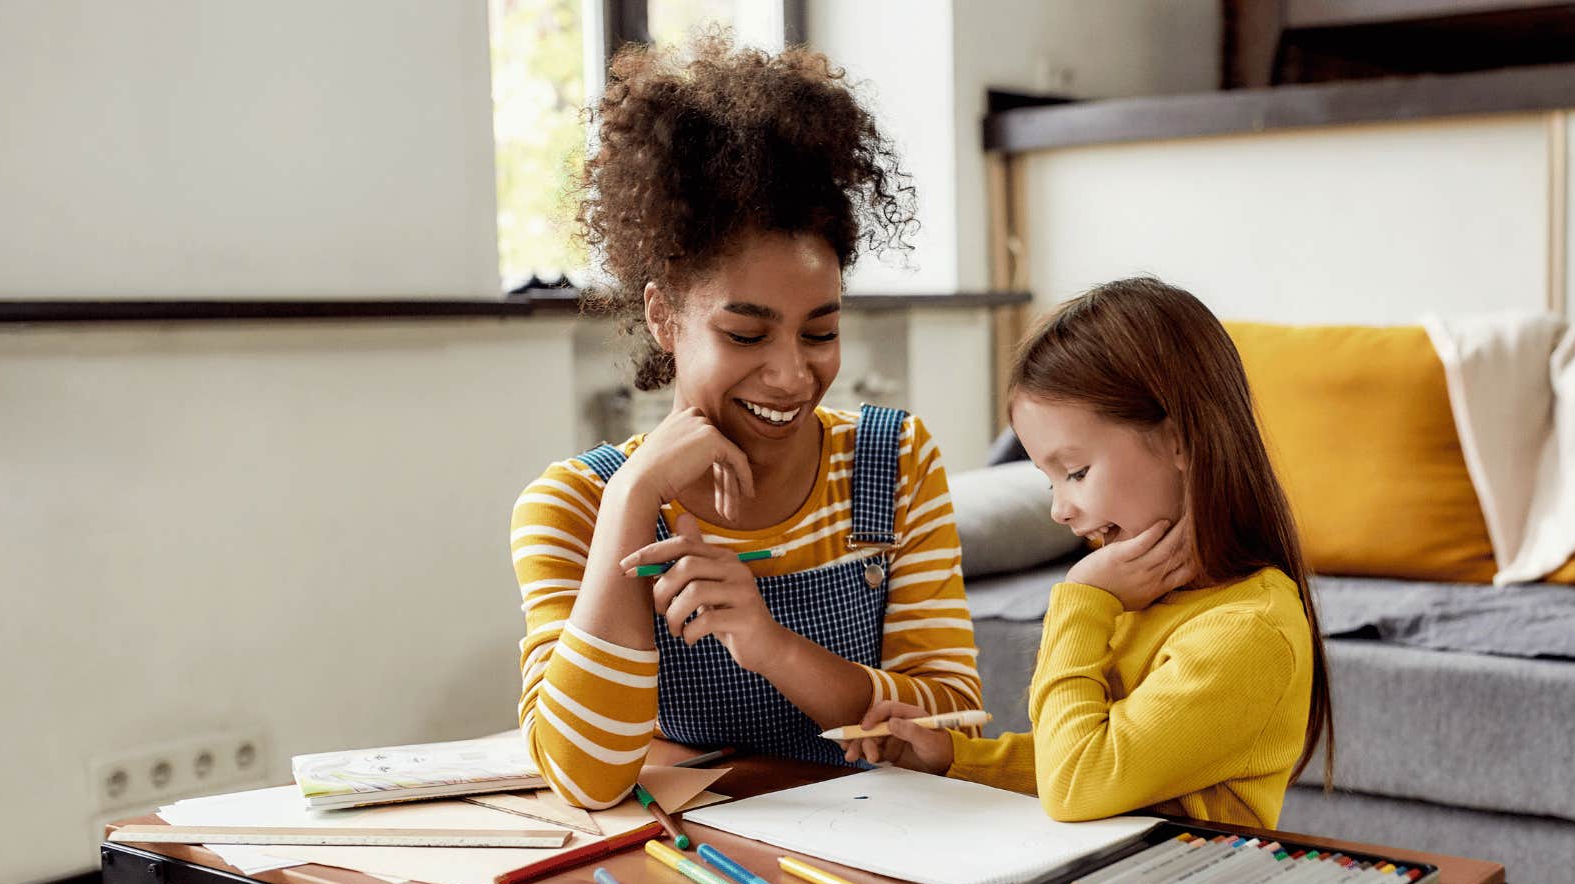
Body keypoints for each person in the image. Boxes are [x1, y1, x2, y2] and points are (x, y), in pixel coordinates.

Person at [509, 34, 980, 812]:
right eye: (747, 334)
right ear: (663, 315)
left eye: (821, 332)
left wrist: (771, 646)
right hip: (690, 869)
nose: (794, 375)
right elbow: (584, 778)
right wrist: (631, 498)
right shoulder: (571, 508)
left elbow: (946, 719)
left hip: (883, 858)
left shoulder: (892, 463)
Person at [846, 276, 1335, 829]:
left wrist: (1081, 600)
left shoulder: (1247, 633)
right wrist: (956, 758)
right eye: (1049, 480)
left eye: (1076, 472)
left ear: (1180, 441)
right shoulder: (1143, 597)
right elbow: (1091, 753)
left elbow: (1078, 782)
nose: (1059, 509)